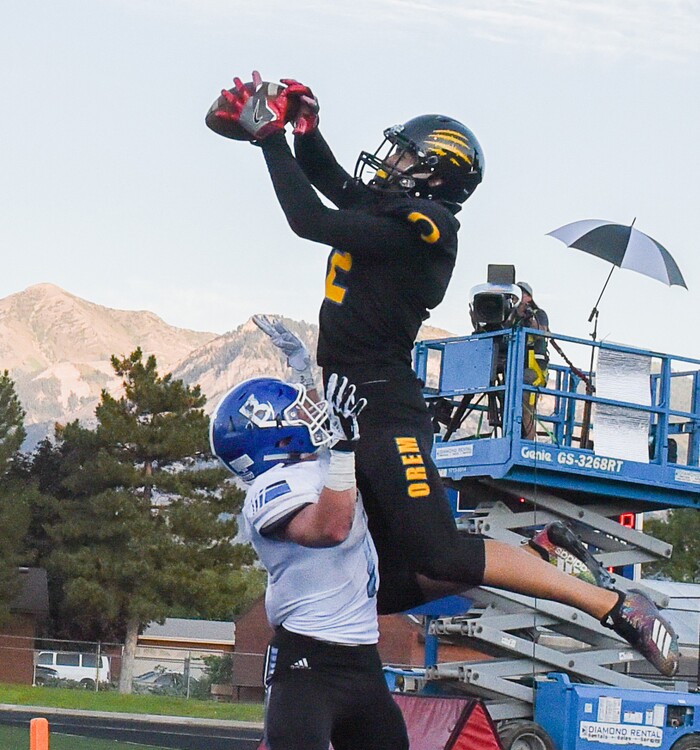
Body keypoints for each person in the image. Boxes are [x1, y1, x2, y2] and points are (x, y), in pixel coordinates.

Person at [206, 72, 679, 678]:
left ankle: (615, 605)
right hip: (354, 400)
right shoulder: (397, 212)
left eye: (406, 155)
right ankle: (535, 556)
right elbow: (338, 189)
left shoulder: (426, 229)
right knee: (381, 586)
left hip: (384, 405)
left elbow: (310, 219)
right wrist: (304, 132)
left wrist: (268, 138)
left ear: (435, 174)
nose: (391, 162)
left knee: (438, 553)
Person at [190, 374, 411, 750]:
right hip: (307, 658)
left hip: (360, 658)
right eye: (296, 414)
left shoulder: (324, 460)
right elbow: (332, 527)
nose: (310, 419)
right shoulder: (267, 491)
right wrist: (341, 447)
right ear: (271, 437)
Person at [513, 281, 550, 440]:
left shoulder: (538, 313)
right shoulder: (515, 315)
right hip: (516, 370)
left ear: (528, 296)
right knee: (504, 392)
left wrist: (529, 319)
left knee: (525, 403)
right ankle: (514, 436)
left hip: (534, 371)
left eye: (521, 294)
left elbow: (543, 333)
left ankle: (527, 442)